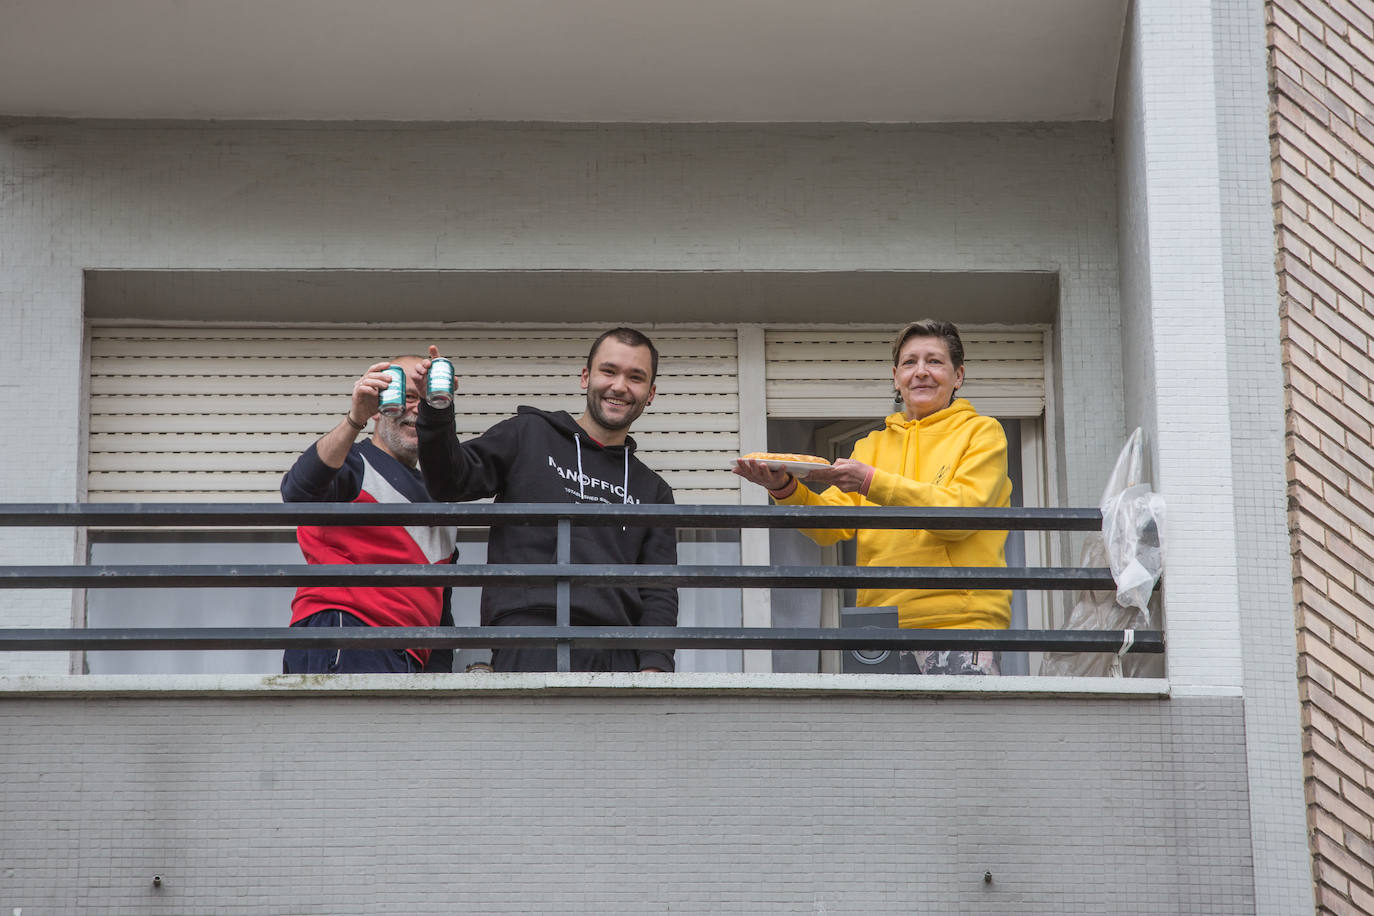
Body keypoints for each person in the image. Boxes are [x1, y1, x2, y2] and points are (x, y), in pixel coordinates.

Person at [734, 319, 1012, 675]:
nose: (921, 372)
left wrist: (870, 482)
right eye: (910, 362)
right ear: (896, 376)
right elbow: (828, 527)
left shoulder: (983, 433)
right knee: (881, 734)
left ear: (958, 376)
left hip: (961, 624)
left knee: (958, 732)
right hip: (881, 628)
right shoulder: (872, 445)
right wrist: (785, 489)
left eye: (934, 362)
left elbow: (960, 516)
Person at [415, 328, 678, 673]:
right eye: (609, 371)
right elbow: (449, 483)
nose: (619, 386)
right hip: (527, 638)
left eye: (635, 377)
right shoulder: (529, 434)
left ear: (651, 393)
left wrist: (655, 666)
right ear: (586, 377)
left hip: (617, 651)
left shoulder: (653, 490)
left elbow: (658, 591)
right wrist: (436, 411)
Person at [281, 355, 458, 674]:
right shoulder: (354, 463)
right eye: (407, 397)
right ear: (379, 407)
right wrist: (354, 419)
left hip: (411, 657)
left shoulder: (445, 501)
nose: (417, 409)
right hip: (349, 633)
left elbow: (441, 609)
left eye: (427, 400)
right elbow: (298, 492)